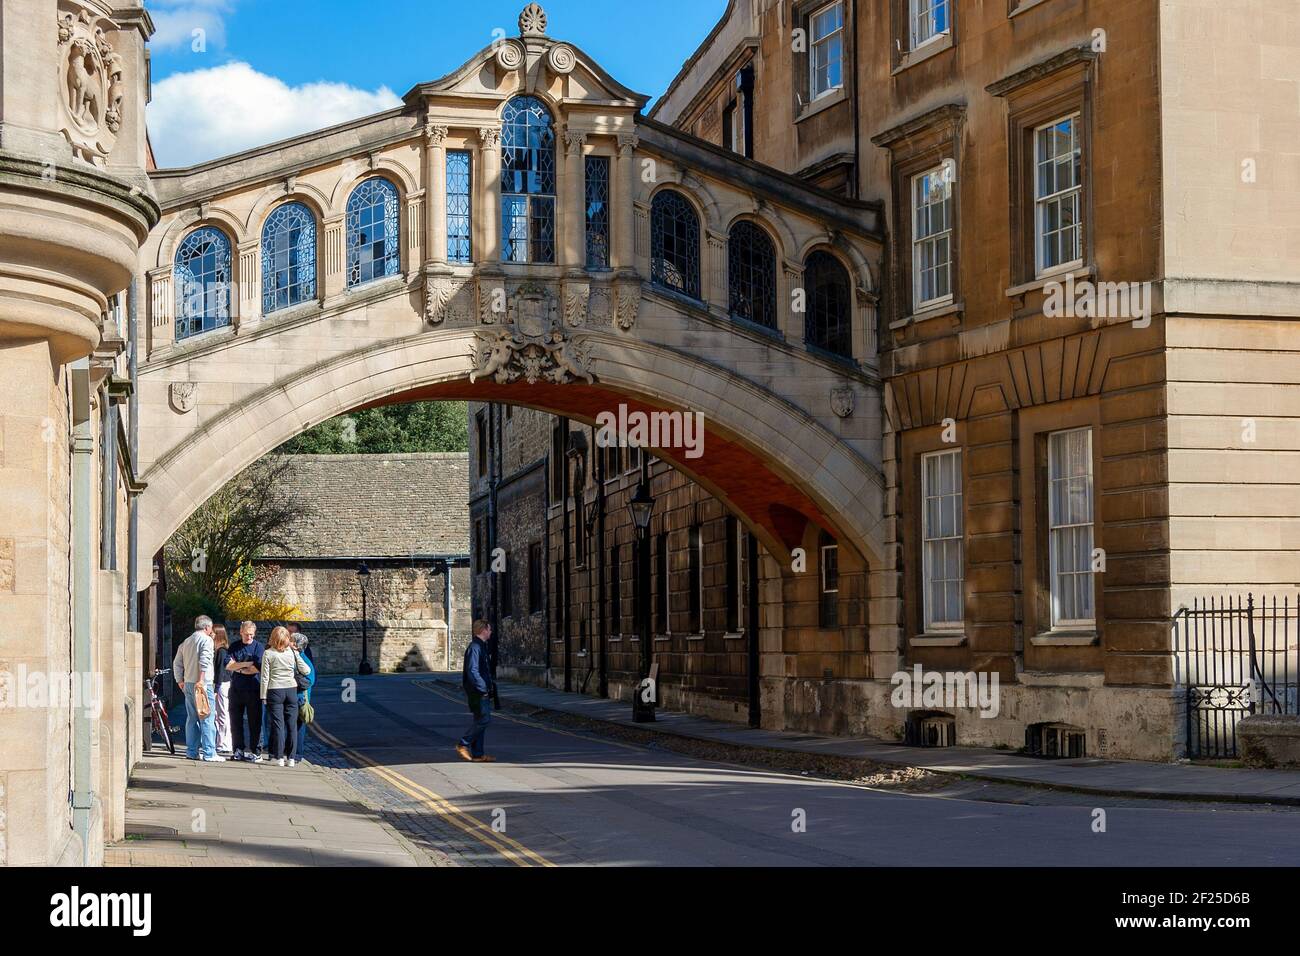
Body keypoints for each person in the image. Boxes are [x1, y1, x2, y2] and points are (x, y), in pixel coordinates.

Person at [172, 615, 223, 761]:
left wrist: (179, 681)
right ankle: (209, 752)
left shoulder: (186, 641)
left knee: (192, 718)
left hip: (188, 683)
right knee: (207, 717)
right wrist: (201, 680)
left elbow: (177, 663)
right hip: (202, 684)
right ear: (207, 627)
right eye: (211, 627)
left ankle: (192, 751)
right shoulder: (206, 640)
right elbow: (205, 661)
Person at [261, 625, 311, 767]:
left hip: (275, 690)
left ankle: (278, 757)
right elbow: (306, 670)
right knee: (291, 725)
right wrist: (296, 655)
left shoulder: (268, 653)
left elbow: (265, 677)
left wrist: (263, 696)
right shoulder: (292, 652)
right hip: (291, 690)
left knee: (278, 725)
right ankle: (291, 758)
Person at [456, 620, 496, 763]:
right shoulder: (475, 647)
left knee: (480, 721)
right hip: (477, 692)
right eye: (489, 629)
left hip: (480, 690)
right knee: (484, 720)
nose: (491, 632)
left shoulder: (480, 646)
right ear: (483, 630)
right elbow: (472, 671)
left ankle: (478, 755)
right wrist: (483, 687)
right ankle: (463, 744)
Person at [226, 621, 265, 762]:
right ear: (241, 632)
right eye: (247, 634)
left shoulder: (258, 648)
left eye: (251, 634)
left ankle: (256, 751)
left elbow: (256, 668)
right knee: (235, 721)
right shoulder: (234, 646)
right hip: (236, 689)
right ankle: (238, 749)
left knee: (255, 722)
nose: (249, 637)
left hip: (253, 689)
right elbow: (228, 665)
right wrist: (246, 665)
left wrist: (238, 667)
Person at [291, 631, 316, 758]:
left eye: (291, 641)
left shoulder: (302, 659)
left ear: (295, 645)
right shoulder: (299, 657)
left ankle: (297, 754)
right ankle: (293, 752)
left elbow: (310, 681)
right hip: (297, 697)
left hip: (300, 698)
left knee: (298, 727)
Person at [212, 624, 233, 756]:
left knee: (222, 714)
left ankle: (224, 743)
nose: (211, 635)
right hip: (222, 684)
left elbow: (220, 671)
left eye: (213, 633)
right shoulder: (221, 650)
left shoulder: (221, 651)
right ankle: (221, 742)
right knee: (220, 714)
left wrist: (216, 687)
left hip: (222, 685)